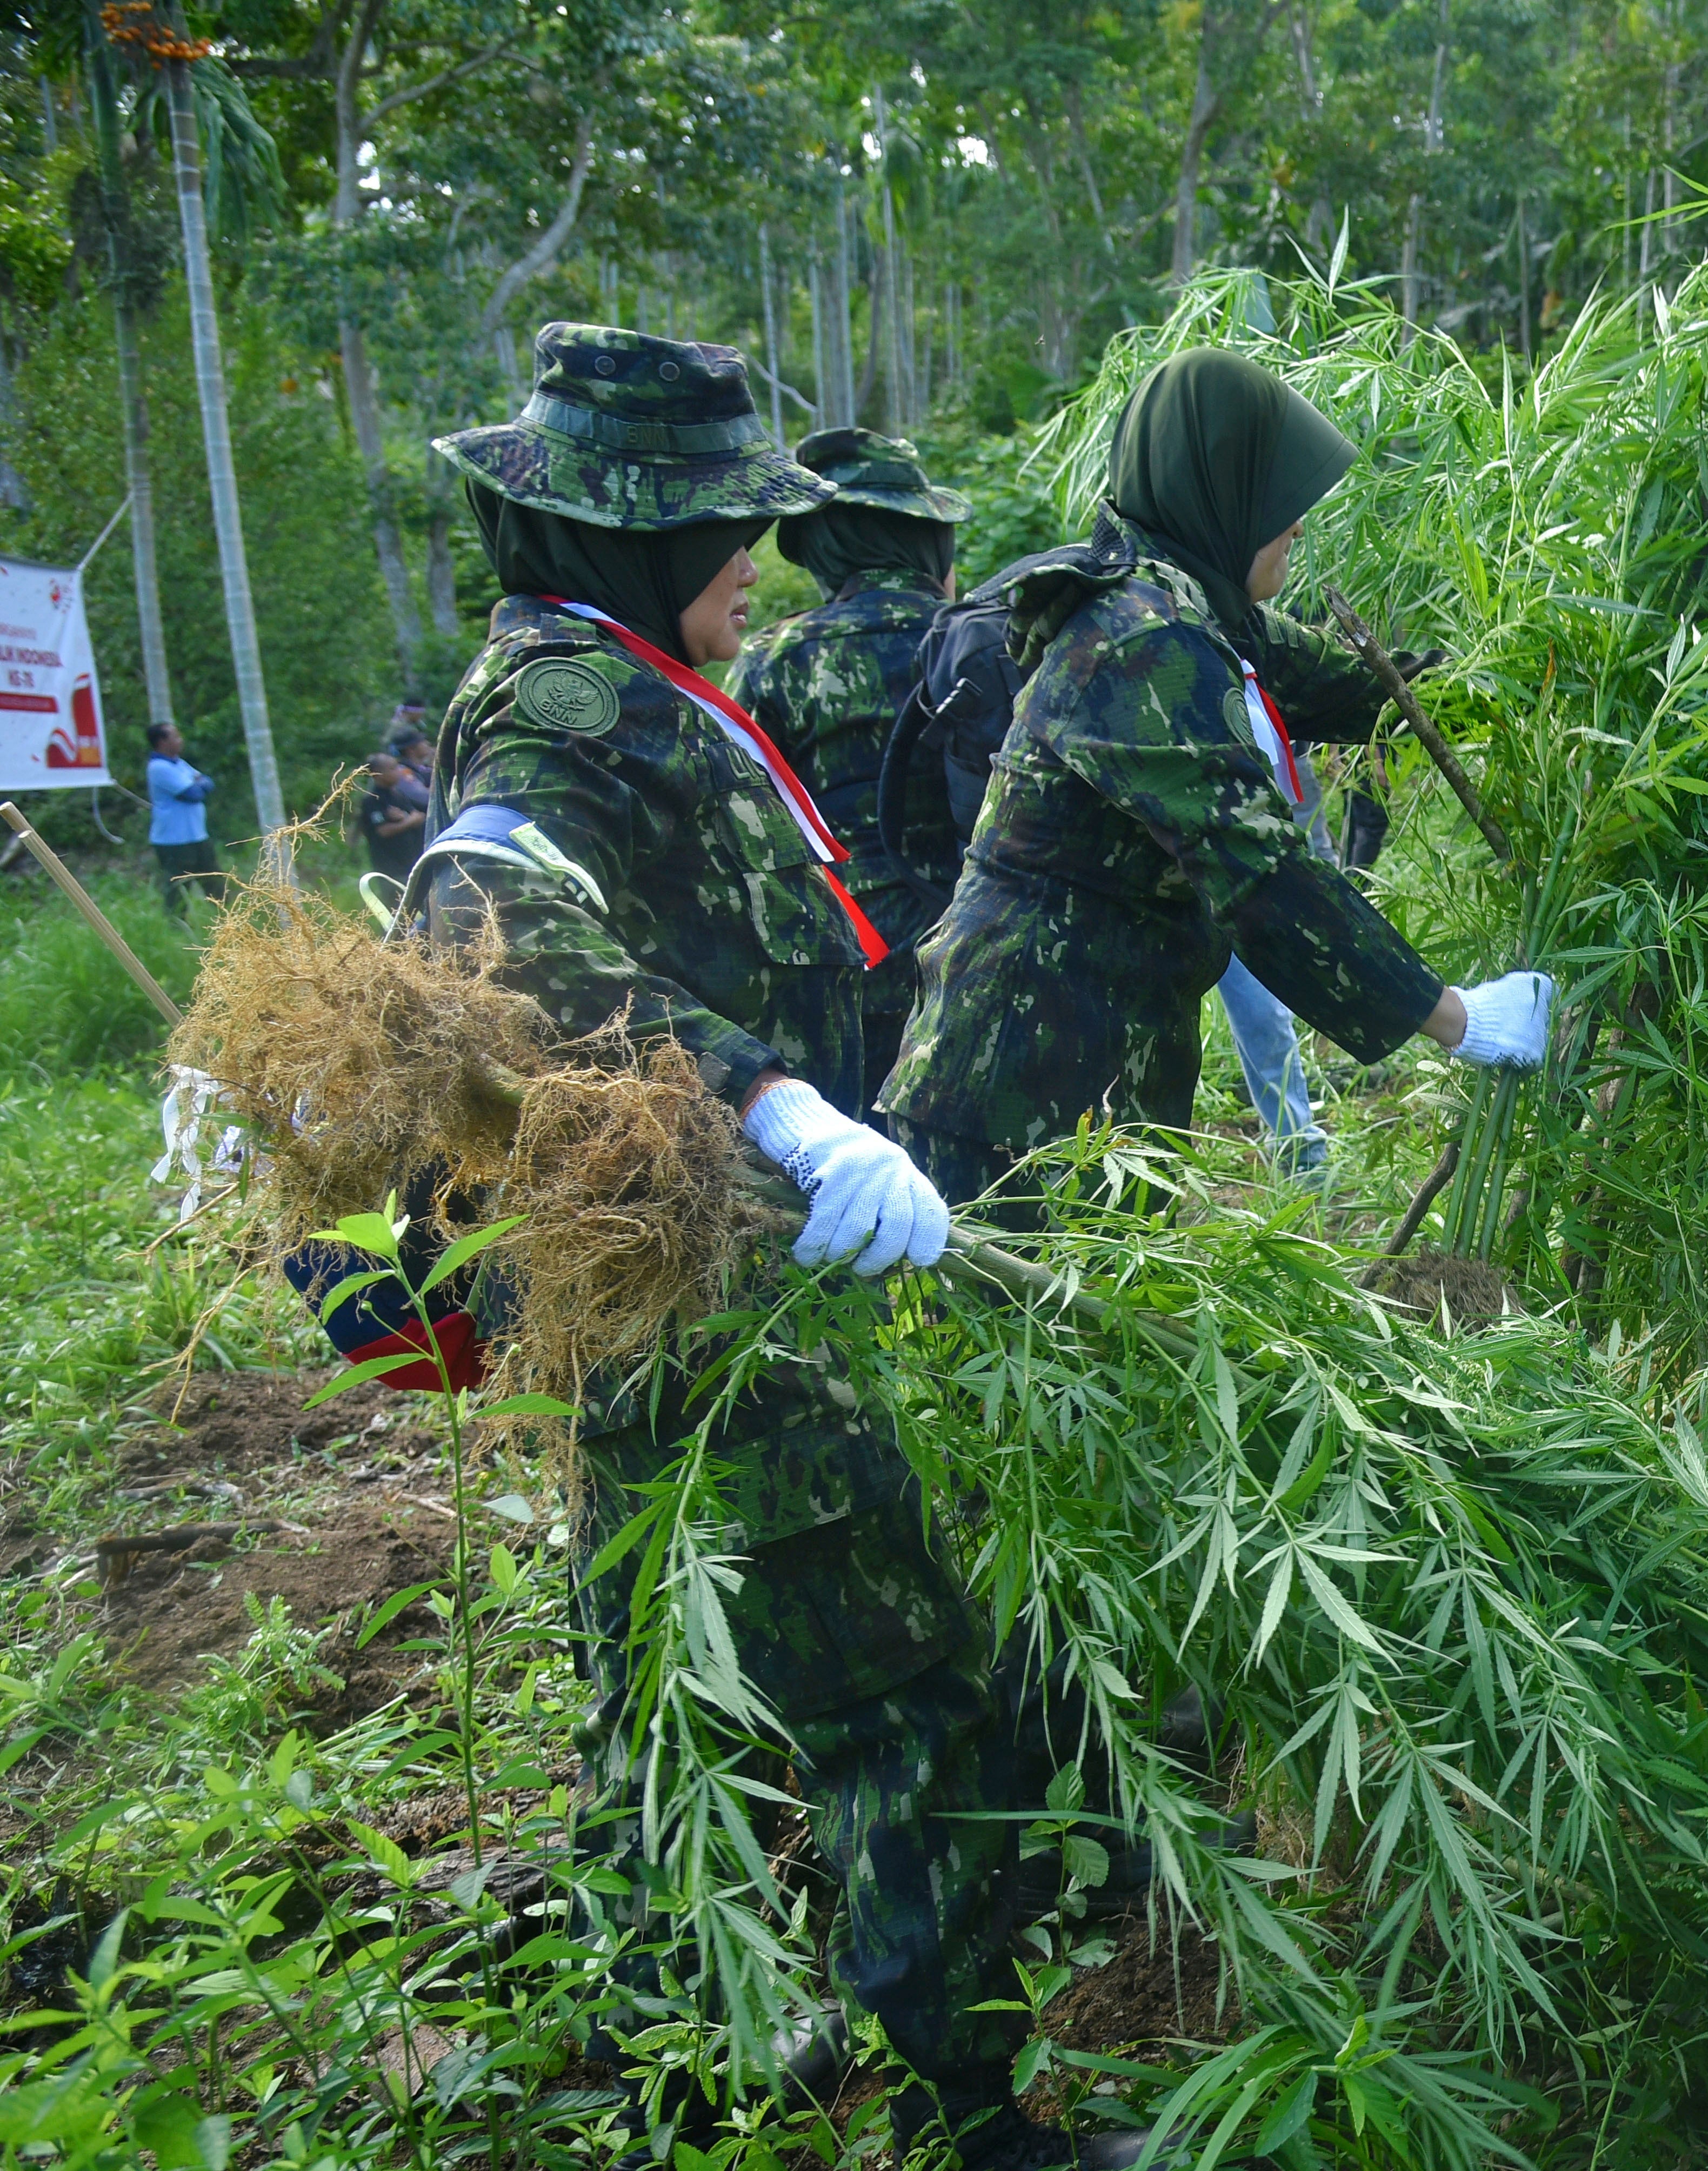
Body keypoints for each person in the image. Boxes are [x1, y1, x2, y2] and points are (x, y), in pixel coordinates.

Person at [422, 324, 1158, 2171]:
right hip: (714, 1287)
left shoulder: (626, 675)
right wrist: (777, 1103)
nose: (756, 554)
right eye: (715, 526)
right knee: (905, 1684)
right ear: (617, 538)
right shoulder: (570, 709)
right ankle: (972, 2105)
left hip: (688, 1282)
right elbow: (474, 919)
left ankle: (676, 2044)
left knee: (663, 1670)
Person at [880, 347, 1552, 1223]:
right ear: (1221, 496)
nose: (1298, 528)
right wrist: (1455, 1017)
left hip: (1091, 1092)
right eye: (1280, 503)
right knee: (1049, 1353)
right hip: (1014, 1107)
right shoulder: (1137, 643)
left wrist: (1539, 684)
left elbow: (1374, 689)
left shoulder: (1205, 620)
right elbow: (1267, 877)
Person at [731, 427, 973, 1115]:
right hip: (980, 951)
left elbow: (750, 826)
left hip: (843, 966)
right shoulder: (982, 639)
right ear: (930, 537)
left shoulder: (776, 658)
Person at [144, 722, 219, 917]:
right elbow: (193, 793)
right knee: (176, 888)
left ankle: (229, 923)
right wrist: (197, 785)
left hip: (196, 835)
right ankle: (177, 927)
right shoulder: (159, 768)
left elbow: (208, 783)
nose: (180, 741)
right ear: (162, 742)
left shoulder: (179, 763)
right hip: (173, 840)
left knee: (215, 882)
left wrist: (198, 785)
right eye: (175, 737)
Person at [356, 750, 425, 887]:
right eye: (393, 769)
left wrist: (405, 818)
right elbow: (383, 831)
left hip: (411, 863)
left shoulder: (398, 794)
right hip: (391, 870)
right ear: (378, 774)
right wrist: (409, 821)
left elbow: (420, 817)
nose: (398, 772)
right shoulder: (372, 800)